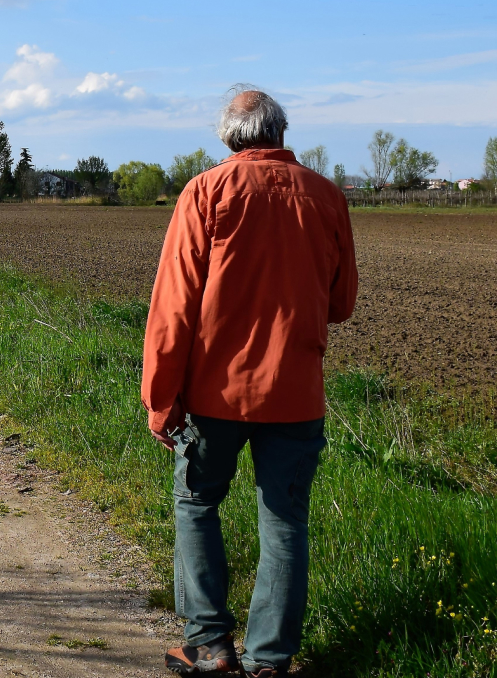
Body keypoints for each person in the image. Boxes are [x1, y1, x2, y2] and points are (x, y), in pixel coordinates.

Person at [143, 87, 358, 677]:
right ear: (281, 133)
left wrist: (161, 399)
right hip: (295, 395)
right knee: (285, 521)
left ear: (229, 138)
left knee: (197, 504)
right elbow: (341, 302)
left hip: (213, 394)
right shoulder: (326, 196)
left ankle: (210, 648)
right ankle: (270, 663)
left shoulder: (205, 193)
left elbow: (174, 306)